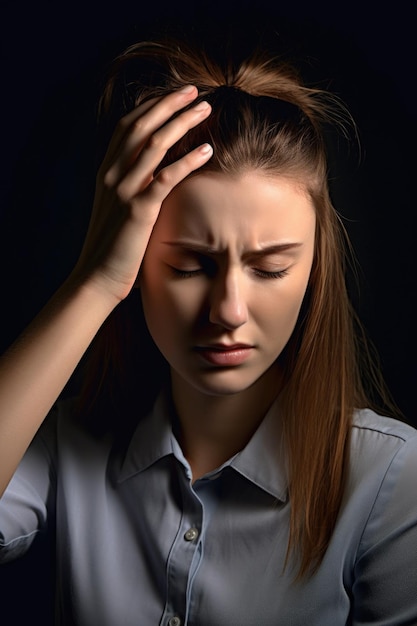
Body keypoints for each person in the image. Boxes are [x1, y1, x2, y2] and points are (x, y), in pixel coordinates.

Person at [0, 21, 416, 626]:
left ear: (314, 271)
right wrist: (94, 283)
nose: (228, 311)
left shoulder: (392, 481)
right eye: (191, 265)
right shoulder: (62, 443)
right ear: (138, 263)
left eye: (270, 268)